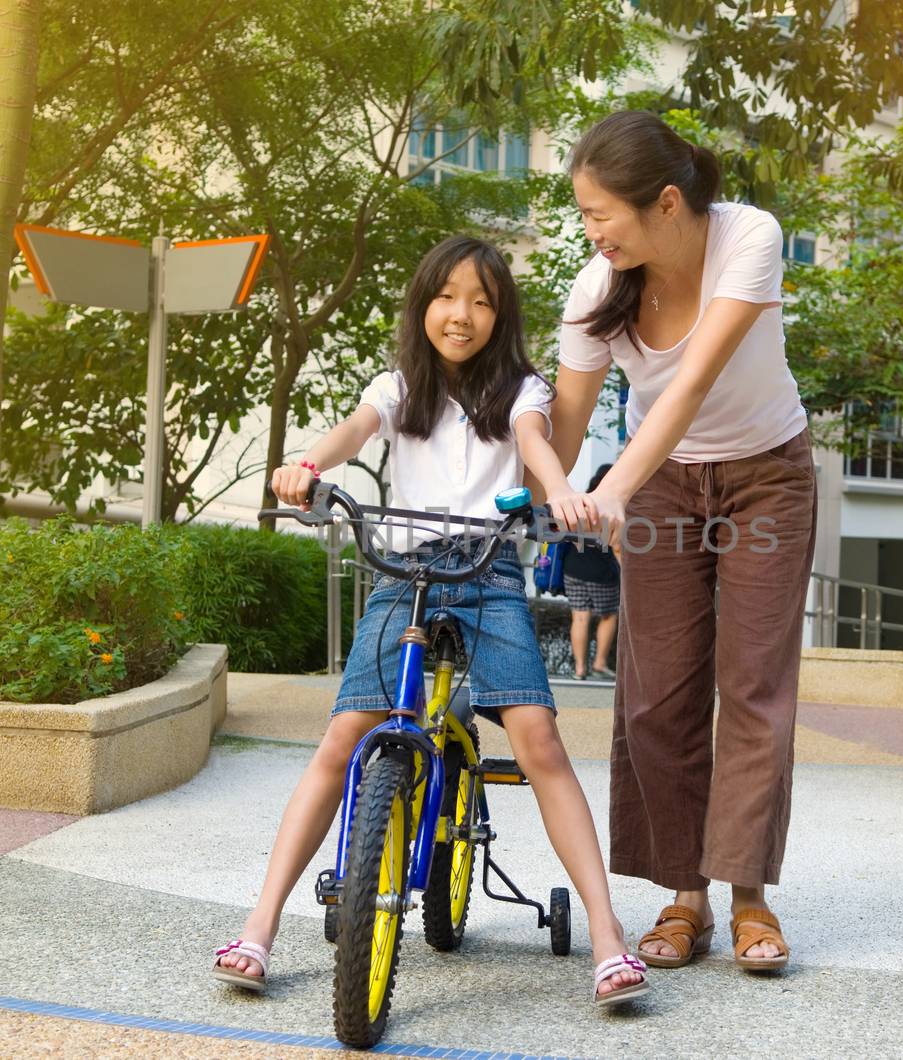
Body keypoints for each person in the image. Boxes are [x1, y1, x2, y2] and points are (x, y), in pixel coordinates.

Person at [212, 235, 649, 1007]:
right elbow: (351, 430)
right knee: (344, 737)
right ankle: (259, 926)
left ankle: (608, 938)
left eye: (483, 301)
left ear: (500, 316)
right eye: (448, 296)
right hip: (404, 574)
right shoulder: (396, 386)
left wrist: (562, 494)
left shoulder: (522, 388)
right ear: (423, 306)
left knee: (539, 738)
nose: (463, 314)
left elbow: (534, 447)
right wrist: (307, 465)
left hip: (487, 575)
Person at [547, 111, 816, 974]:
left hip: (765, 475)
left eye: (601, 215)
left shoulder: (750, 237)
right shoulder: (598, 289)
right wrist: (546, 489)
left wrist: (611, 490)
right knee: (656, 694)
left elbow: (693, 382)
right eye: (583, 215)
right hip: (664, 481)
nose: (592, 234)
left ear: (666, 203)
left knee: (752, 686)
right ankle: (681, 896)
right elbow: (564, 426)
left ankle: (746, 897)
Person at [563, 463, 620, 680]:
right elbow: (616, 546)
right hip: (601, 574)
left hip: (573, 570)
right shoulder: (609, 509)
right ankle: (599, 663)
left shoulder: (580, 504)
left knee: (579, 618)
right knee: (608, 615)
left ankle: (579, 668)